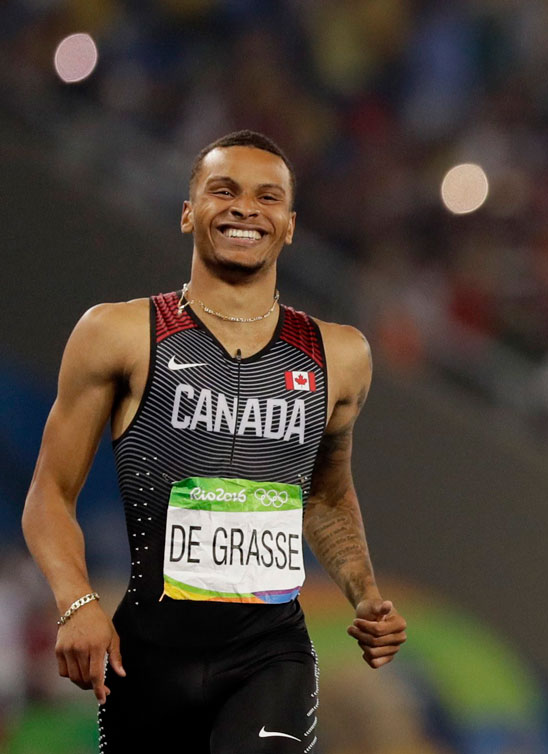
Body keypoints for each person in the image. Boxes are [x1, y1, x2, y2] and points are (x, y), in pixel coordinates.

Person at [22, 130, 408, 752]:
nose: (244, 209)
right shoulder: (119, 335)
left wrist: (366, 597)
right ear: (187, 212)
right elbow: (49, 495)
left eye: (267, 198)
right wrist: (76, 602)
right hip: (146, 660)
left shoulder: (340, 355)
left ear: (288, 226)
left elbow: (327, 498)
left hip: (269, 656)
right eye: (223, 190)